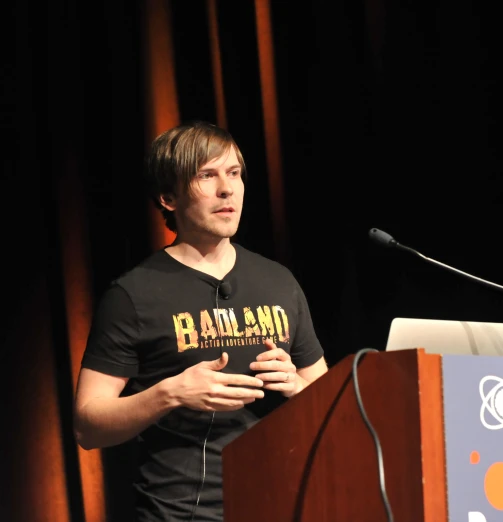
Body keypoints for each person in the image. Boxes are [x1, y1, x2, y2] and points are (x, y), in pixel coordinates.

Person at [73, 121, 328, 521]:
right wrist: (170, 393)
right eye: (207, 175)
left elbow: (327, 397)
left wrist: (299, 387)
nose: (227, 189)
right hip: (179, 513)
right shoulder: (133, 295)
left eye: (234, 174)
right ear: (168, 197)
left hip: (282, 503)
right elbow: (88, 425)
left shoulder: (279, 282)